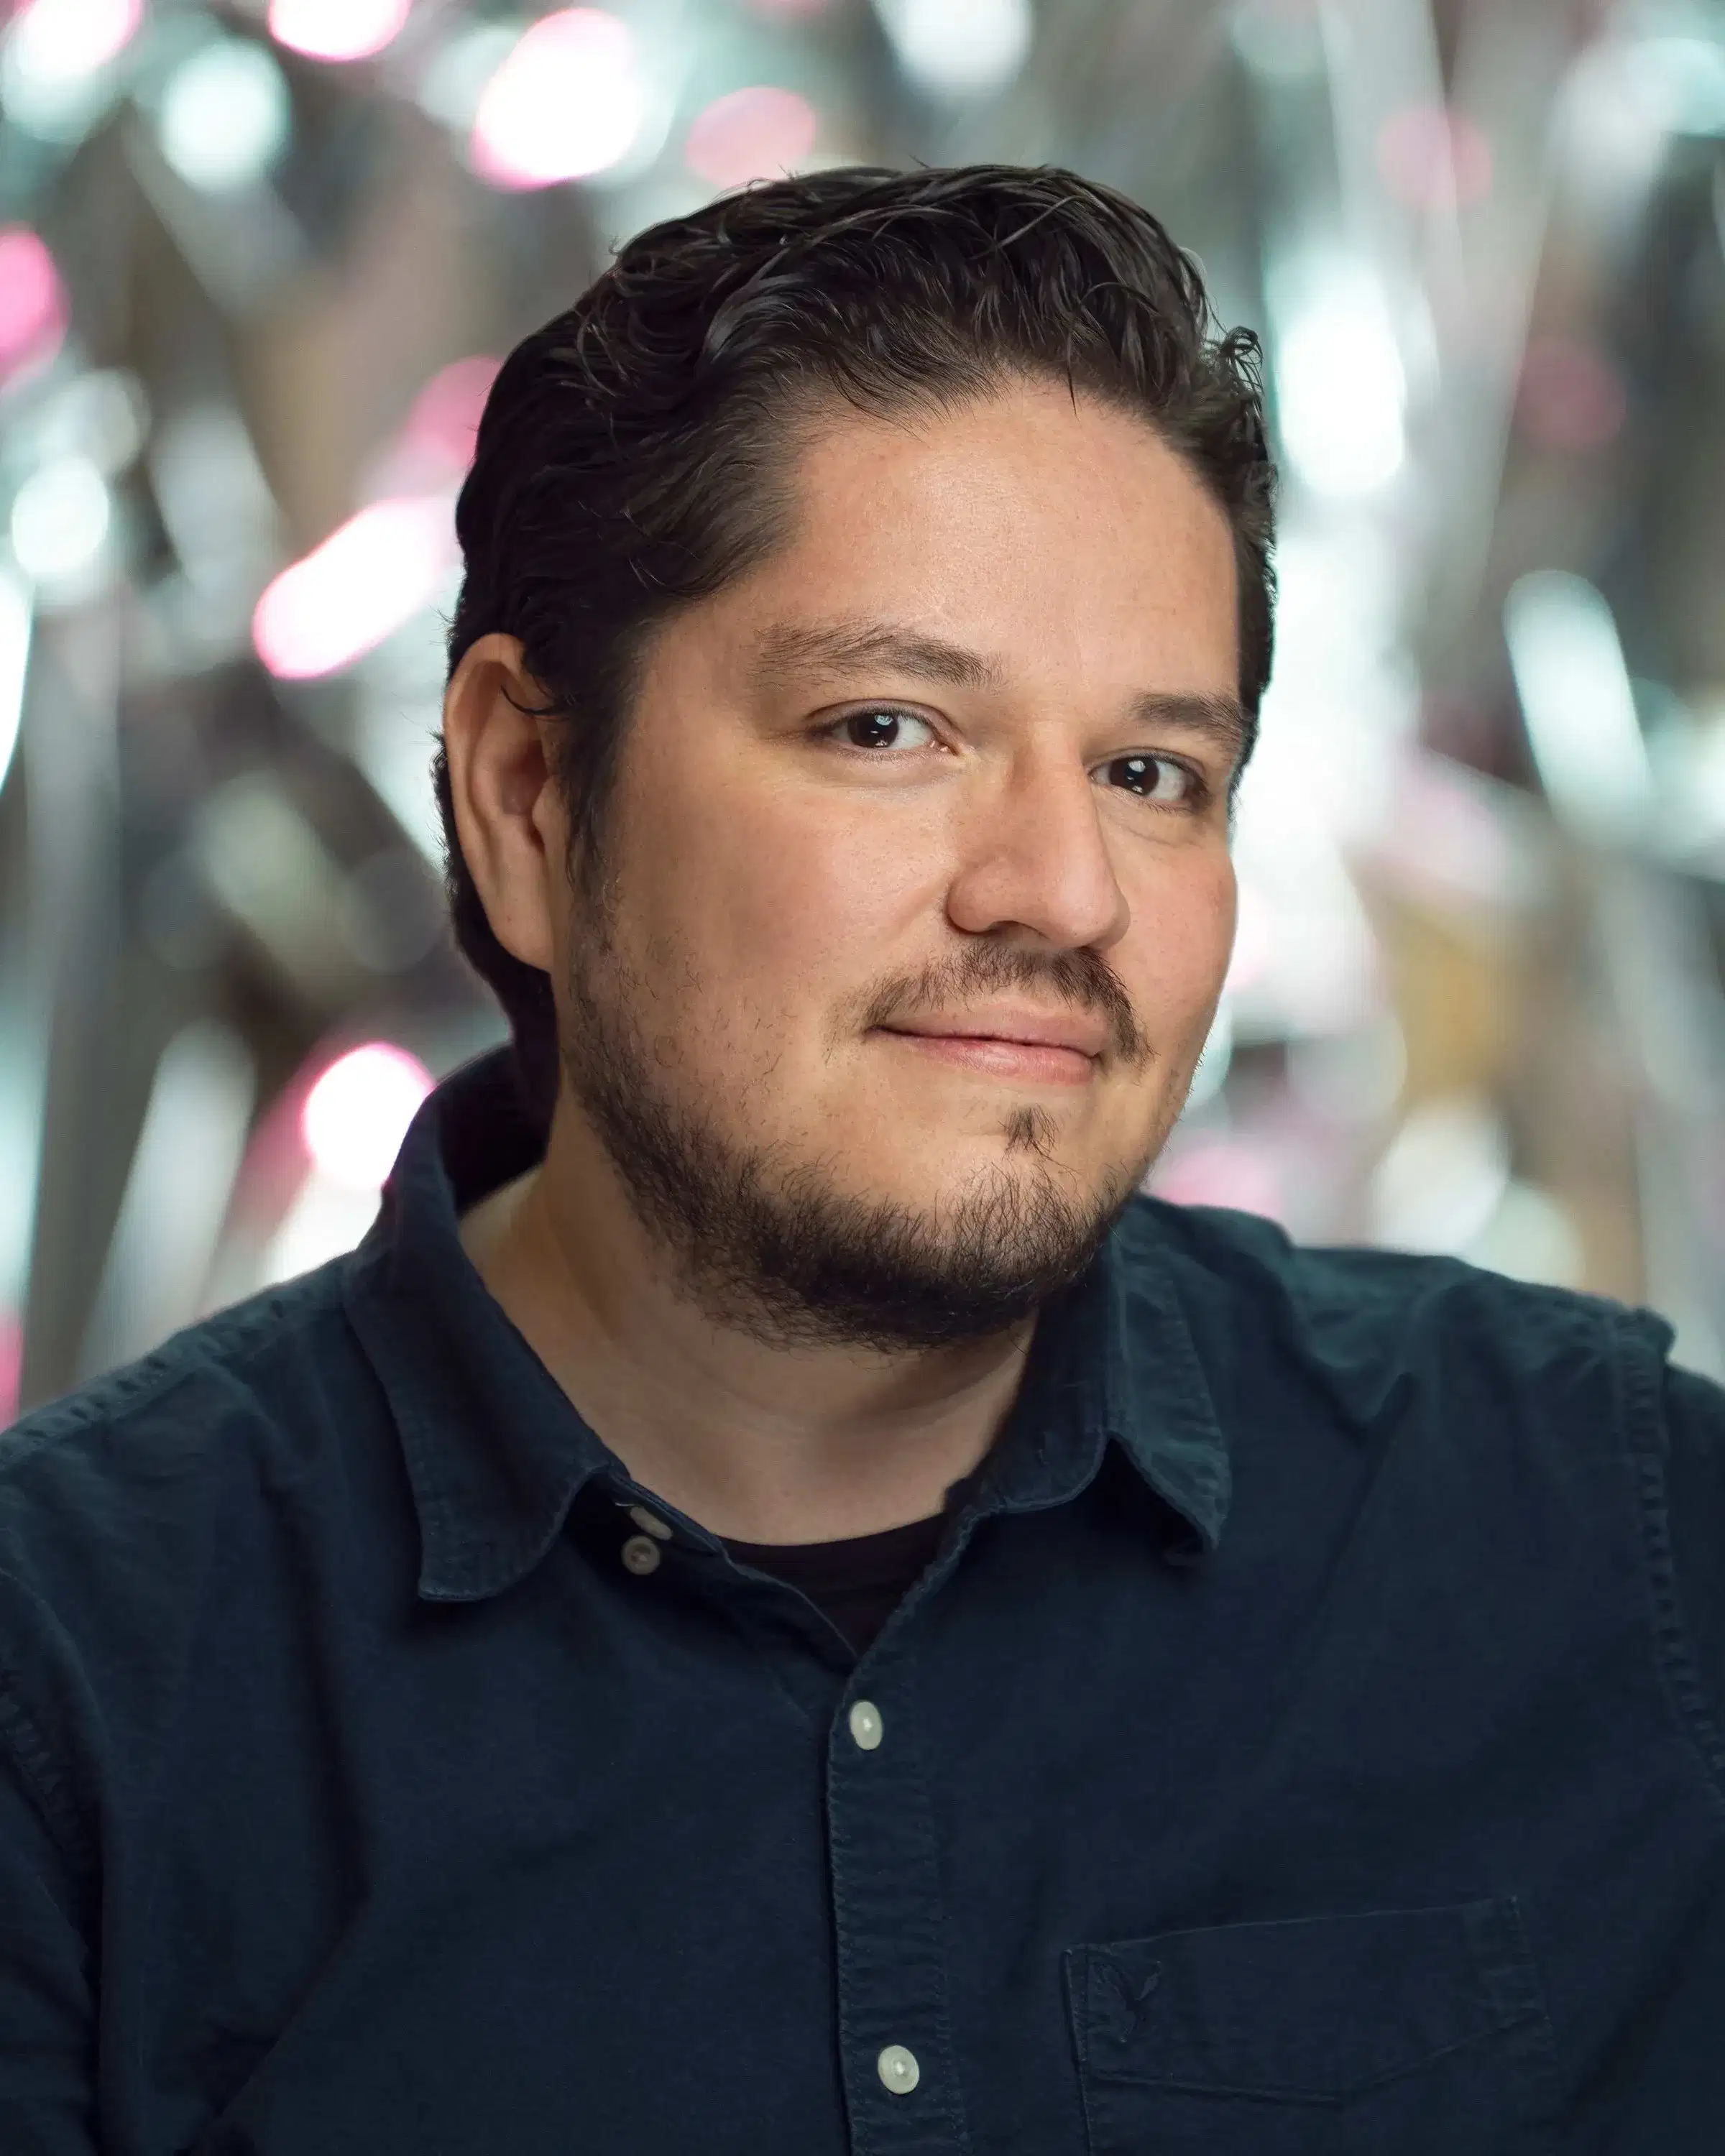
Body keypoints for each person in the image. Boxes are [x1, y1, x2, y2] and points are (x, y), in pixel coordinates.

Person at [1, 162, 1721, 2156]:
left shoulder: (1606, 1535)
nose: (1064, 891)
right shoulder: (73, 1695)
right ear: (533, 798)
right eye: (892, 728)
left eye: (1153, 773)